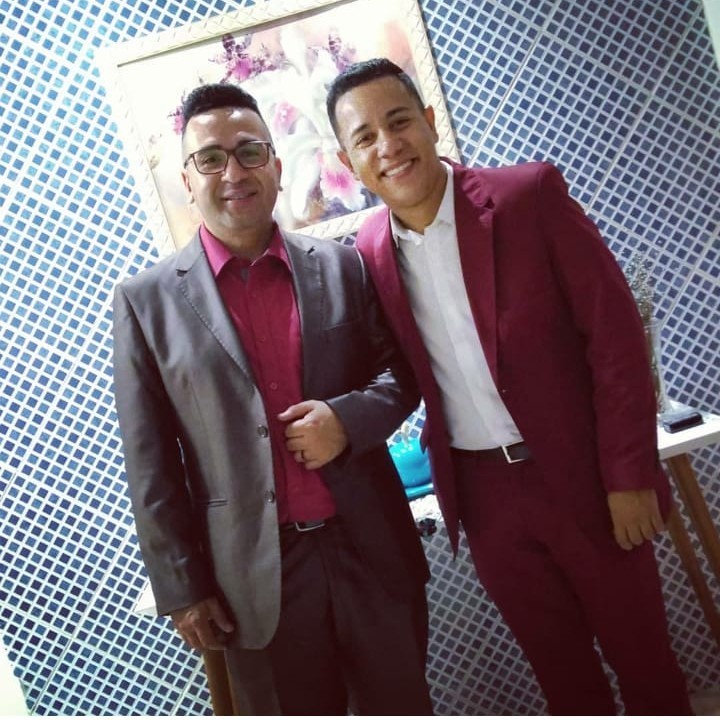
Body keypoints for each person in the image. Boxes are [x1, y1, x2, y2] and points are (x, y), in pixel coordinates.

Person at [326, 58, 692, 715]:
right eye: (365, 137)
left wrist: (629, 474)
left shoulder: (528, 197)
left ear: (429, 122)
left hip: (586, 477)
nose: (388, 145)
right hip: (486, 498)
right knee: (564, 683)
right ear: (348, 163)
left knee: (648, 670)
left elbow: (614, 339)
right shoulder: (370, 251)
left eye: (399, 121)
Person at [112, 81, 434, 716]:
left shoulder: (343, 265)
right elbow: (149, 463)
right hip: (255, 579)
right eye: (211, 158)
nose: (233, 172)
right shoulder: (146, 302)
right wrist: (182, 587)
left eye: (249, 152)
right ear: (188, 178)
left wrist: (346, 420)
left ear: (277, 166)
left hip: (369, 551)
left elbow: (400, 376)